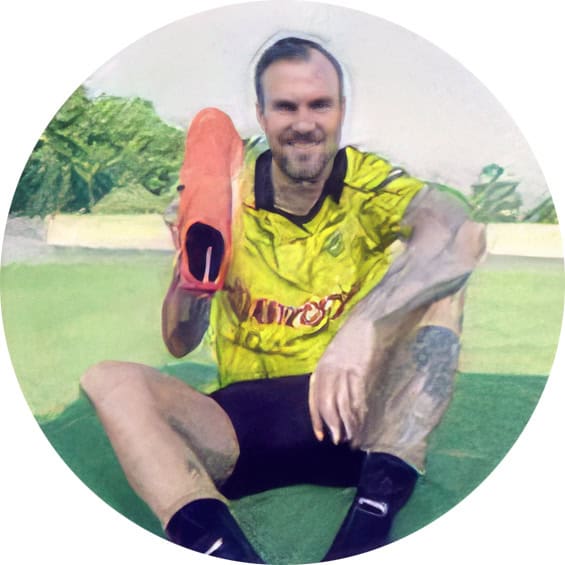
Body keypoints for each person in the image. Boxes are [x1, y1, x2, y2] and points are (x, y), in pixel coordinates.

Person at [81, 37, 485, 562]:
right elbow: (180, 342)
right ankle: (221, 549)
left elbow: (462, 235)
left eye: (320, 105)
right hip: (242, 429)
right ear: (262, 114)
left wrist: (362, 326)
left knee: (442, 287)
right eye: (286, 106)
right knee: (109, 380)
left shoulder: (366, 182)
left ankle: (370, 520)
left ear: (341, 110)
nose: (304, 122)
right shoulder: (229, 193)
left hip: (357, 420)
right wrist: (189, 274)